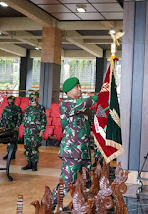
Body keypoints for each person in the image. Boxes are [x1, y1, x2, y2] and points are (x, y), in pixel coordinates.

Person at [52, 77, 98, 210]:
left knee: (86, 183)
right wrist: (101, 95)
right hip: (71, 152)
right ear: (68, 91)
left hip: (84, 151)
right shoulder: (66, 104)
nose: (80, 89)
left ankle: (82, 208)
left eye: (80, 86)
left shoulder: (83, 107)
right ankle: (49, 206)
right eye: (77, 87)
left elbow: (91, 123)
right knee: (66, 183)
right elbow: (85, 103)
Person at [21, 91, 47, 171]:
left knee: (34, 149)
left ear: (37, 98)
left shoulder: (41, 108)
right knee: (27, 148)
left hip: (36, 132)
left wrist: (42, 130)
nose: (33, 98)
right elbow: (24, 120)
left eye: (34, 96)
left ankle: (34, 164)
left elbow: (44, 120)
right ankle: (29, 163)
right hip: (27, 132)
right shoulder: (27, 108)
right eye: (31, 96)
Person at [0, 96, 22, 160]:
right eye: (9, 99)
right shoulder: (5, 108)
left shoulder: (17, 109)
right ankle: (9, 153)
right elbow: (3, 117)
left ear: (14, 100)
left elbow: (20, 118)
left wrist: (17, 126)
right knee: (8, 141)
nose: (10, 101)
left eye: (11, 99)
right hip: (7, 127)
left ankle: (13, 154)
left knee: (13, 141)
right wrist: (2, 125)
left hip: (13, 127)